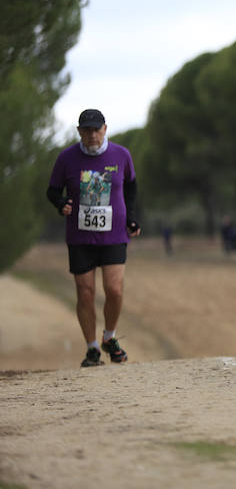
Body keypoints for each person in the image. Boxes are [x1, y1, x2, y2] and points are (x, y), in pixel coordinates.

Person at [46, 109, 141, 367]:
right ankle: (92, 349)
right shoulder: (66, 158)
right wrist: (61, 203)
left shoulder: (122, 155)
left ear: (105, 129)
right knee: (85, 293)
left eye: (96, 130)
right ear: (79, 132)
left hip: (114, 233)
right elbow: (53, 191)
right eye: (86, 131)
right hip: (80, 237)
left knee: (114, 289)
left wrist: (132, 217)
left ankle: (109, 337)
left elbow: (131, 186)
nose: (92, 135)